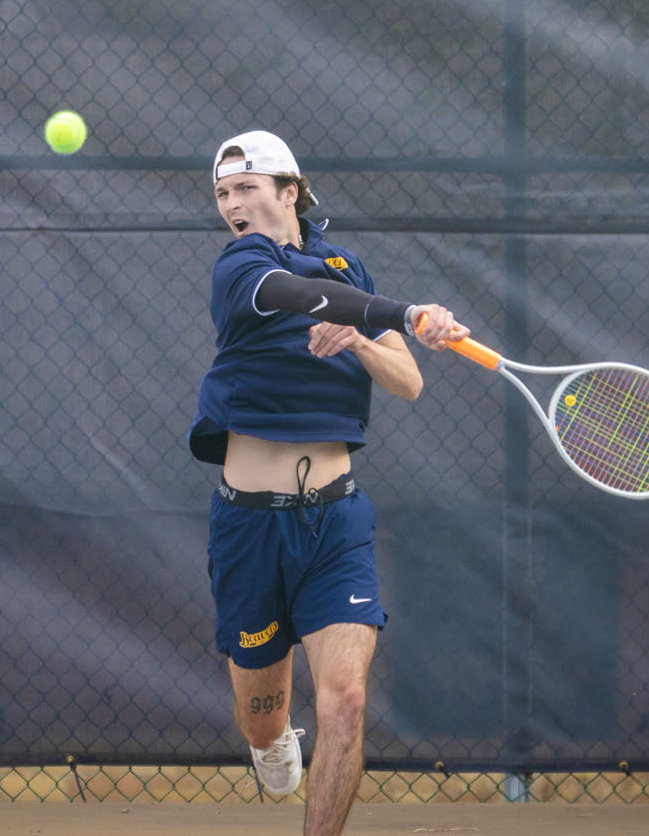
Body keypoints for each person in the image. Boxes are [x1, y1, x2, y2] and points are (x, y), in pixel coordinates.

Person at [190, 130, 465, 836]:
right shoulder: (241, 264)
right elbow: (293, 293)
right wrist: (396, 312)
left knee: (344, 702)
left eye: (245, 187)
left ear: (290, 188)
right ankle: (272, 743)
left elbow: (408, 380)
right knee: (262, 722)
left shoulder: (347, 266)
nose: (232, 204)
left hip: (336, 522)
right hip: (250, 526)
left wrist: (365, 336)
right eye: (223, 193)